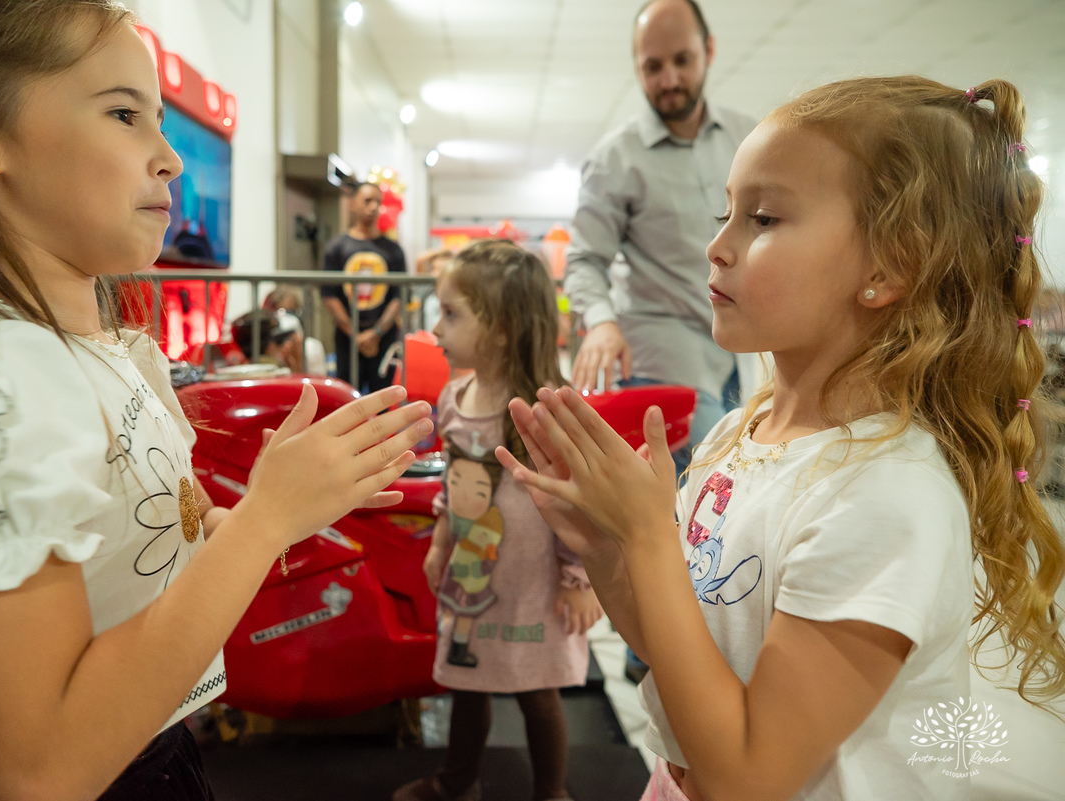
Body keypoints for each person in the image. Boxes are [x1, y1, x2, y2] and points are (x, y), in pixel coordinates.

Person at [0, 3, 432, 799]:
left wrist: (281, 511)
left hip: (156, 755)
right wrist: (265, 519)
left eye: (158, 121)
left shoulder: (94, 350)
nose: (168, 157)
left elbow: (139, 564)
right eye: (124, 114)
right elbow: (39, 769)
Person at [499, 77, 1065, 801]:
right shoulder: (743, 431)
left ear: (890, 264)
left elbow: (751, 776)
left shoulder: (889, 495)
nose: (716, 246)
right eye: (724, 212)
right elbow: (683, 650)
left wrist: (648, 537)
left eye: (762, 219)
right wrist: (608, 549)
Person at [394, 241, 603, 801]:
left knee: (539, 693)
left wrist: (580, 580)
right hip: (474, 573)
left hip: (533, 584)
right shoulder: (455, 396)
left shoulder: (544, 410)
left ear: (504, 328)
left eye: (451, 313)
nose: (435, 328)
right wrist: (440, 545)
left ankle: (552, 792)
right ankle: (458, 781)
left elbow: (577, 502)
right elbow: (451, 486)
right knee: (467, 685)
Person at [564, 0, 756, 477]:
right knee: (715, 486)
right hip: (661, 354)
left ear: (708, 51)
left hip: (740, 353)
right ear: (636, 67)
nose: (669, 79)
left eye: (681, 61)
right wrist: (602, 323)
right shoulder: (615, 160)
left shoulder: (749, 139)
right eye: (653, 67)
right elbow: (584, 260)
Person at [321, 181, 406, 393]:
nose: (374, 207)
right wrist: (355, 335)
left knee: (383, 400)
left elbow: (399, 296)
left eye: (378, 202)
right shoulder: (336, 247)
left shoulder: (393, 250)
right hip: (347, 339)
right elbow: (330, 295)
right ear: (353, 204)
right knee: (348, 400)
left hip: (384, 338)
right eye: (368, 201)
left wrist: (376, 332)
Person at [230, 307, 305, 373]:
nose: (286, 346)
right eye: (280, 342)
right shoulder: (275, 373)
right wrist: (297, 368)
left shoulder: (240, 370)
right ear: (270, 345)